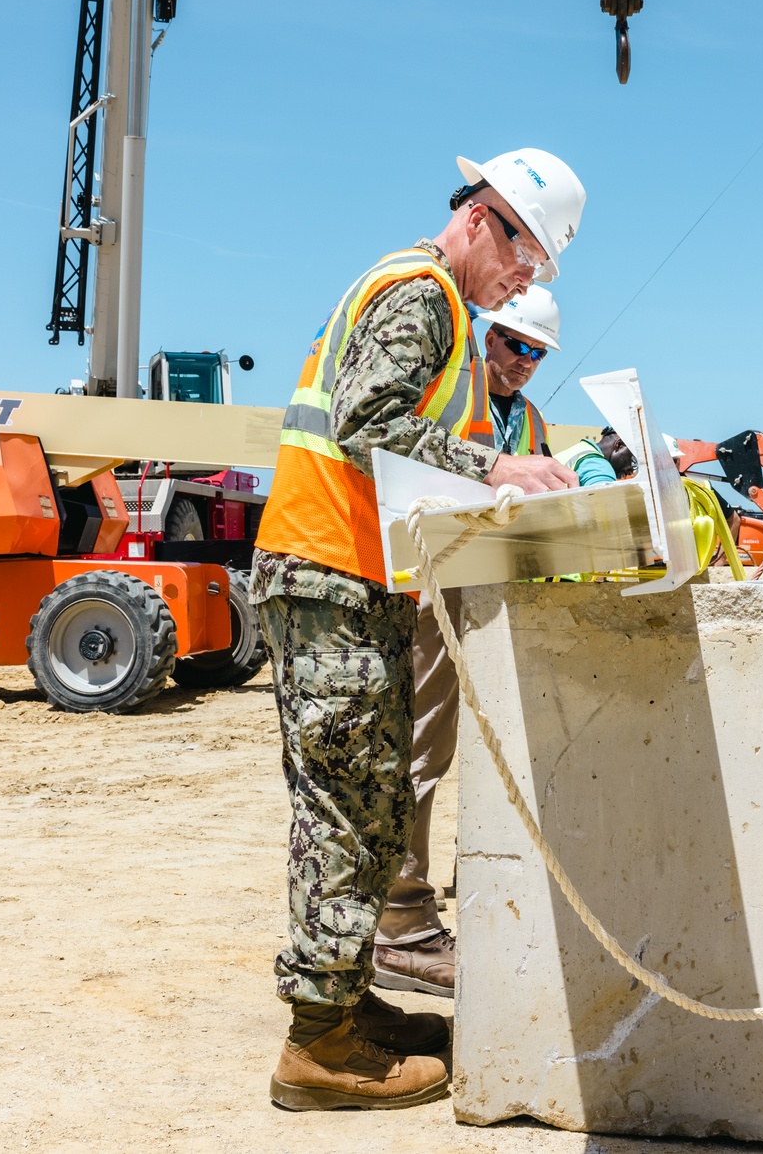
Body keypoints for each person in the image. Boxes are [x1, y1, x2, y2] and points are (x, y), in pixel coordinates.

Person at [250, 149, 585, 1112]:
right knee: (349, 811)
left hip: (348, 577)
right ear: (484, 218)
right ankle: (318, 1044)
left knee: (372, 798)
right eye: (527, 256)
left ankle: (347, 1005)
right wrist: (494, 469)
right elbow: (365, 420)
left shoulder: (426, 293)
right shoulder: (426, 294)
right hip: (328, 573)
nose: (528, 281)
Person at [372, 285, 561, 998]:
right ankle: (402, 913)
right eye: (516, 344)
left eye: (537, 354)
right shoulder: (456, 393)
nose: (524, 362)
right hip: (437, 588)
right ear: (490, 336)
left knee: (477, 748)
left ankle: (450, 891)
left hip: (491, 591)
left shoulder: (530, 417)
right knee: (421, 744)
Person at [557, 425, 637, 485]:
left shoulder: (580, 449)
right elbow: (603, 505)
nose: (631, 471)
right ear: (619, 445)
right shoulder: (600, 467)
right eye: (633, 459)